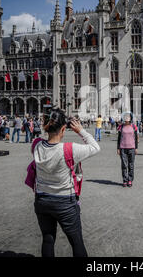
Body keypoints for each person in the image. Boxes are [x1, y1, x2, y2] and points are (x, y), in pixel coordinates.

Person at [33, 109, 100, 257]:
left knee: (48, 239)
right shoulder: (70, 149)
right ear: (63, 128)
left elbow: (42, 140)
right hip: (65, 202)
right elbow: (95, 147)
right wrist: (81, 131)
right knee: (76, 242)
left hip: (42, 200)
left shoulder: (36, 145)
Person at [117, 113, 138, 188]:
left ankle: (130, 180)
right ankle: (125, 180)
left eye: (128, 118)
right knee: (124, 165)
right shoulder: (121, 127)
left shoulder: (133, 126)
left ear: (130, 118)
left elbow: (136, 138)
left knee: (131, 165)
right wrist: (118, 148)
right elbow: (119, 138)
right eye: (125, 118)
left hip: (132, 148)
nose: (126, 120)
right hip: (123, 148)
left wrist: (136, 148)